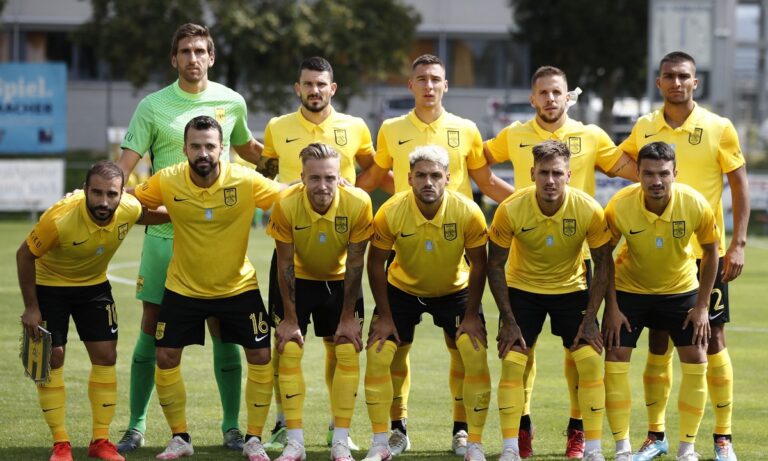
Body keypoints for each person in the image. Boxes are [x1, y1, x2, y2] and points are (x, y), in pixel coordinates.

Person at [115, 23, 264, 453]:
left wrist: (302, 164)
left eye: (200, 50)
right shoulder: (152, 106)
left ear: (211, 57)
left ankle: (232, 427)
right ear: (174, 58)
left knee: (225, 331)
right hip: (164, 238)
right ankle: (137, 426)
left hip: (217, 241)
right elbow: (121, 173)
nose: (193, 58)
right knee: (151, 331)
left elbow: (251, 150)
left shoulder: (232, 101)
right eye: (185, 51)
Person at [356, 54, 514, 456]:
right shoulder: (391, 129)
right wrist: (338, 189)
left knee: (464, 349)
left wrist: (525, 204)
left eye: (435, 79)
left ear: (446, 85)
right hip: (404, 248)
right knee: (392, 349)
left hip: (454, 255)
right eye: (421, 79)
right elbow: (374, 177)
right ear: (410, 85)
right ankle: (396, 430)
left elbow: (485, 180)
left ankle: (463, 432)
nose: (429, 85)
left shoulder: (467, 129)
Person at [484, 65, 637, 459]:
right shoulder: (514, 135)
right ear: (532, 98)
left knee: (580, 355)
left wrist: (667, 177)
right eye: (543, 92)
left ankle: (579, 432)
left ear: (568, 97)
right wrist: (506, 196)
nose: (550, 99)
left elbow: (633, 170)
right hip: (525, 262)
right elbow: (471, 160)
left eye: (557, 92)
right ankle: (520, 431)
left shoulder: (592, 135)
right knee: (521, 354)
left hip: (577, 263)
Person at [618, 51, 749, 461]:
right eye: (669, 76)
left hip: (704, 255)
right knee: (658, 342)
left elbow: (739, 185)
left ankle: (723, 437)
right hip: (656, 255)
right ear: (658, 82)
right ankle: (655, 436)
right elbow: (618, 160)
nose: (676, 82)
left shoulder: (719, 127)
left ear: (696, 82)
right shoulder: (644, 126)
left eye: (683, 76)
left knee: (712, 341)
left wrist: (739, 242)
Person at [133, 116, 282, 461]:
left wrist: (332, 185)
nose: (203, 153)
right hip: (183, 287)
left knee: (261, 355)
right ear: (184, 148)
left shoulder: (244, 179)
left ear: (222, 148)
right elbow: (133, 204)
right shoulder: (168, 179)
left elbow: (287, 194)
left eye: (210, 146)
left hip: (238, 287)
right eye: (196, 146)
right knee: (165, 356)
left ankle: (253, 438)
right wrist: (86, 195)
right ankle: (180, 437)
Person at [257, 57, 375, 451]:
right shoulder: (277, 127)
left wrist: (352, 194)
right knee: (285, 344)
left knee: (339, 345)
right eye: (308, 84)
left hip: (340, 247)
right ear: (298, 88)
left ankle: (337, 427)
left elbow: (374, 170)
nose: (314, 90)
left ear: (332, 88)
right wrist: (286, 195)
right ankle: (282, 423)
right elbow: (265, 175)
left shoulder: (355, 127)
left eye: (321, 84)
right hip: (295, 237)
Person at [17, 161, 167, 461]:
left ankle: (101, 440)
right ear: (85, 189)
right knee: (52, 358)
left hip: (94, 287)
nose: (103, 202)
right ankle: (61, 444)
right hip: (50, 286)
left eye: (111, 194)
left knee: (106, 356)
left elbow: (153, 215)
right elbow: (24, 255)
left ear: (121, 193)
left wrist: (192, 210)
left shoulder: (127, 208)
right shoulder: (59, 219)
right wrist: (32, 307)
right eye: (96, 193)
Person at [363, 145, 491, 461]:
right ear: (409, 178)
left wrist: (471, 315)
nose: (428, 182)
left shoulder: (467, 211)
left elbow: (479, 263)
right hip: (402, 290)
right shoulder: (391, 211)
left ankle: (467, 437)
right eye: (421, 175)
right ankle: (389, 436)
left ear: (448, 177)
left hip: (454, 291)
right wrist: (384, 316)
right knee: (380, 355)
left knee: (473, 354)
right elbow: (375, 262)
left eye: (435, 175)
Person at [487, 140, 612, 461]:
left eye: (557, 173)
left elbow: (603, 263)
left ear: (569, 175)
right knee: (512, 361)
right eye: (544, 173)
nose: (550, 180)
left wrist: (591, 318)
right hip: (522, 290)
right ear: (532, 174)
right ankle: (513, 444)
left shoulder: (588, 209)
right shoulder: (511, 208)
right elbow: (495, 265)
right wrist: (508, 320)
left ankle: (590, 445)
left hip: (571, 290)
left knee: (589, 360)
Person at [602, 141, 719, 461]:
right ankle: (623, 448)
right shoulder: (620, 205)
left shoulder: (694, 203)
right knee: (615, 354)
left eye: (663, 173)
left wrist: (702, 307)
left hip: (680, 290)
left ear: (675, 173)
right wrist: (611, 308)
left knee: (697, 356)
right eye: (649, 173)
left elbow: (711, 252)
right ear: (638, 174)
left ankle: (687, 449)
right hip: (630, 290)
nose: (656, 181)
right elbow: (603, 255)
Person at [265, 142, 372, 461]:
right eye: (314, 178)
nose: (322, 185)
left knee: (346, 348)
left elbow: (356, 262)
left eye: (329, 178)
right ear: (302, 178)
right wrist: (289, 318)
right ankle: (292, 438)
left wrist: (349, 315)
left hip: (340, 280)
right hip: (296, 278)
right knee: (288, 347)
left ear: (340, 177)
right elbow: (285, 263)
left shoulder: (358, 202)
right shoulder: (285, 203)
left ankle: (340, 437)